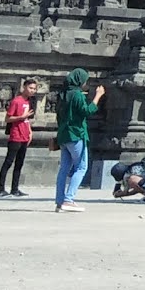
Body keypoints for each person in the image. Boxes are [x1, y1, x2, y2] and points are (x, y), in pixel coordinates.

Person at [52, 70, 104, 213]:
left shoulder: (62, 94)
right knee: (81, 167)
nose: (86, 84)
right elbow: (87, 111)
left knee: (64, 168)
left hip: (63, 135)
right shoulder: (77, 95)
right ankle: (69, 199)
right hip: (76, 134)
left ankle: (60, 201)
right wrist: (98, 96)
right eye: (85, 81)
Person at [0, 77, 37, 198]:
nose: (32, 91)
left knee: (19, 163)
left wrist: (30, 131)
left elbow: (27, 119)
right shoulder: (17, 101)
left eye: (34, 89)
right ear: (24, 87)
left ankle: (15, 189)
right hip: (16, 135)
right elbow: (8, 118)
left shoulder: (29, 102)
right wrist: (21, 116)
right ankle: (1, 189)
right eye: (30, 88)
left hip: (24, 135)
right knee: (8, 162)